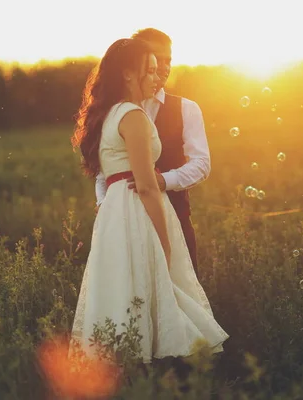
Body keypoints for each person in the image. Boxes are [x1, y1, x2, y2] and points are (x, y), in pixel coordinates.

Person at [70, 37, 228, 367]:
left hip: (116, 213)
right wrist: (164, 242)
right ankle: (173, 369)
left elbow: (113, 175)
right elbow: (145, 186)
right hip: (139, 212)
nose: (158, 78)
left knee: (122, 290)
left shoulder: (110, 113)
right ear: (129, 74)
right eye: (151, 70)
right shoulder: (134, 116)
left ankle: (125, 366)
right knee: (159, 289)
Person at [94, 28, 210, 278]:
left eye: (168, 60)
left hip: (174, 216)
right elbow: (104, 171)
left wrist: (163, 180)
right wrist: (109, 207)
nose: (163, 67)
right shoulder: (117, 112)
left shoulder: (186, 109)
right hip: (125, 223)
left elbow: (201, 163)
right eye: (155, 60)